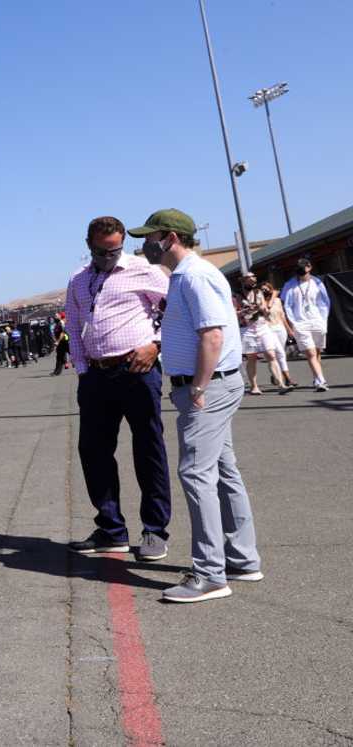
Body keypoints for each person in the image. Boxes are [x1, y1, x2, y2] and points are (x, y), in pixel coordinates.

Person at [132, 208, 262, 603]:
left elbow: (212, 336)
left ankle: (210, 573)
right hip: (214, 385)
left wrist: (200, 388)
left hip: (207, 387)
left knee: (195, 473)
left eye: (149, 238)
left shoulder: (192, 275)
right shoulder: (192, 275)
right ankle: (242, 557)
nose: (144, 246)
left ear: (169, 237)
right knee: (222, 471)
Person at [65, 216, 172, 561]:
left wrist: (155, 344)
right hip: (96, 375)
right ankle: (111, 529)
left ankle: (155, 531)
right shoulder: (78, 280)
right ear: (89, 246)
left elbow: (176, 312)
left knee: (148, 449)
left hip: (137, 369)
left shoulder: (144, 270)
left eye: (115, 250)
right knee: (93, 452)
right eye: (102, 251)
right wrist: (83, 371)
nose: (109, 257)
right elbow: (74, 324)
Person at [235, 272, 290, 396]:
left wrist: (264, 309)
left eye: (254, 277)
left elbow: (265, 310)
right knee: (252, 358)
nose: (253, 279)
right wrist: (244, 311)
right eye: (249, 278)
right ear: (243, 281)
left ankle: (281, 384)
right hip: (247, 329)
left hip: (262, 325)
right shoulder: (236, 296)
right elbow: (233, 313)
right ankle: (254, 386)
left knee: (271, 354)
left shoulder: (258, 293)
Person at [281, 257, 331, 392]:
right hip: (300, 323)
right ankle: (321, 381)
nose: (300, 269)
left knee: (317, 352)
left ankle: (316, 377)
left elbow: (324, 302)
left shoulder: (317, 283)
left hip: (317, 321)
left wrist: (323, 319)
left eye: (303, 267)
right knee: (310, 352)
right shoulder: (289, 285)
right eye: (298, 267)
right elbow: (285, 305)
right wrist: (291, 324)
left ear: (309, 267)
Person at [262, 281, 297, 387]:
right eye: (263, 290)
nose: (266, 291)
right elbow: (267, 309)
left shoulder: (277, 301)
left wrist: (289, 330)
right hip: (268, 330)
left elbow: (282, 316)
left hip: (280, 328)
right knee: (277, 354)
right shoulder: (261, 301)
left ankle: (275, 374)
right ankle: (287, 378)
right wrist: (273, 296)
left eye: (267, 289)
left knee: (279, 354)